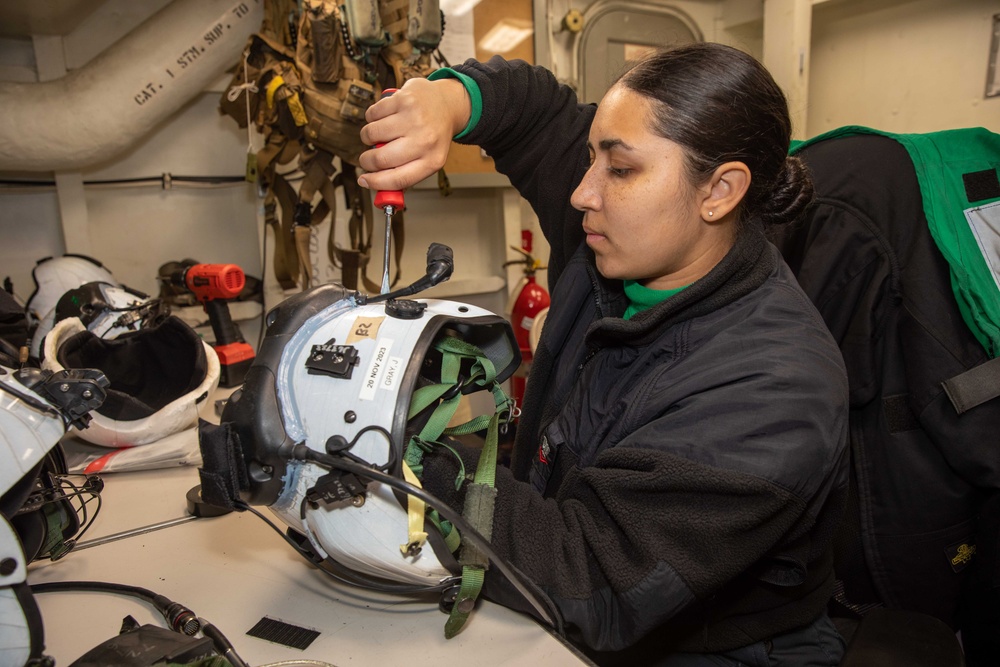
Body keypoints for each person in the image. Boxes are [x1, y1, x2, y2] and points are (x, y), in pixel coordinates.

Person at [358, 43, 850, 666]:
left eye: (619, 170)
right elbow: (533, 110)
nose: (582, 193)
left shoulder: (776, 389)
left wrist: (391, 460)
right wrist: (445, 99)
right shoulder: (623, 238)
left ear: (720, 190)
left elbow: (593, 576)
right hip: (558, 590)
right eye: (592, 157)